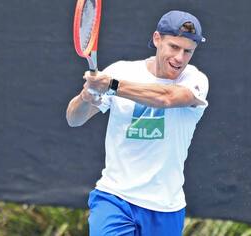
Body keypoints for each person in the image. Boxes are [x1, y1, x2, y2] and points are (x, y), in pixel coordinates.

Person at [66, 10, 209, 236]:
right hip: (114, 199)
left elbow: (166, 98)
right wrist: (86, 97)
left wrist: (112, 85)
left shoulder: (195, 80)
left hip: (166, 208)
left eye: (188, 51)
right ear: (157, 39)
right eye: (174, 47)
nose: (180, 58)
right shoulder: (122, 70)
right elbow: (74, 119)